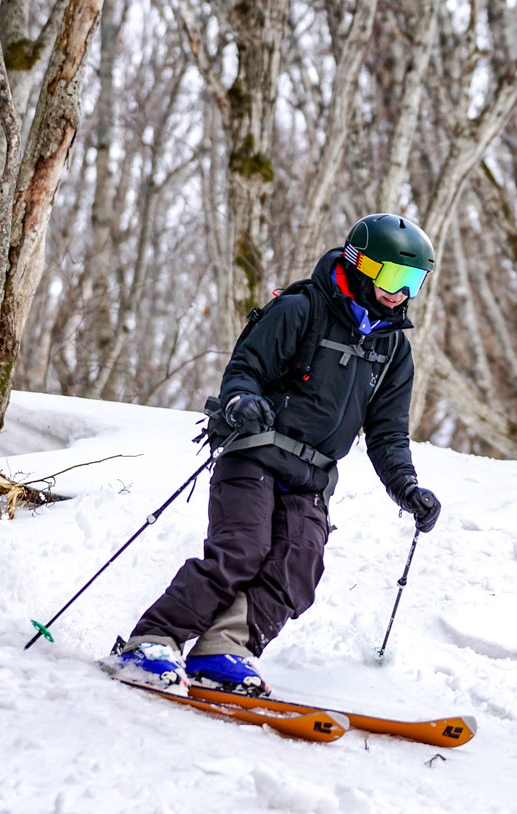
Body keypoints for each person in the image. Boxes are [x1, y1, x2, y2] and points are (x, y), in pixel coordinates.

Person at [101, 213, 442, 696]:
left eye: (414, 280)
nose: (401, 292)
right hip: (256, 452)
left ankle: (224, 650)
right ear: (359, 264)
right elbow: (246, 369)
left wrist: (406, 487)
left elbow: (388, 433)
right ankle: (152, 640)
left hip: (313, 476)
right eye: (392, 276)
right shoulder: (301, 310)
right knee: (241, 552)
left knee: (297, 568)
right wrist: (242, 401)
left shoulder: (393, 350)